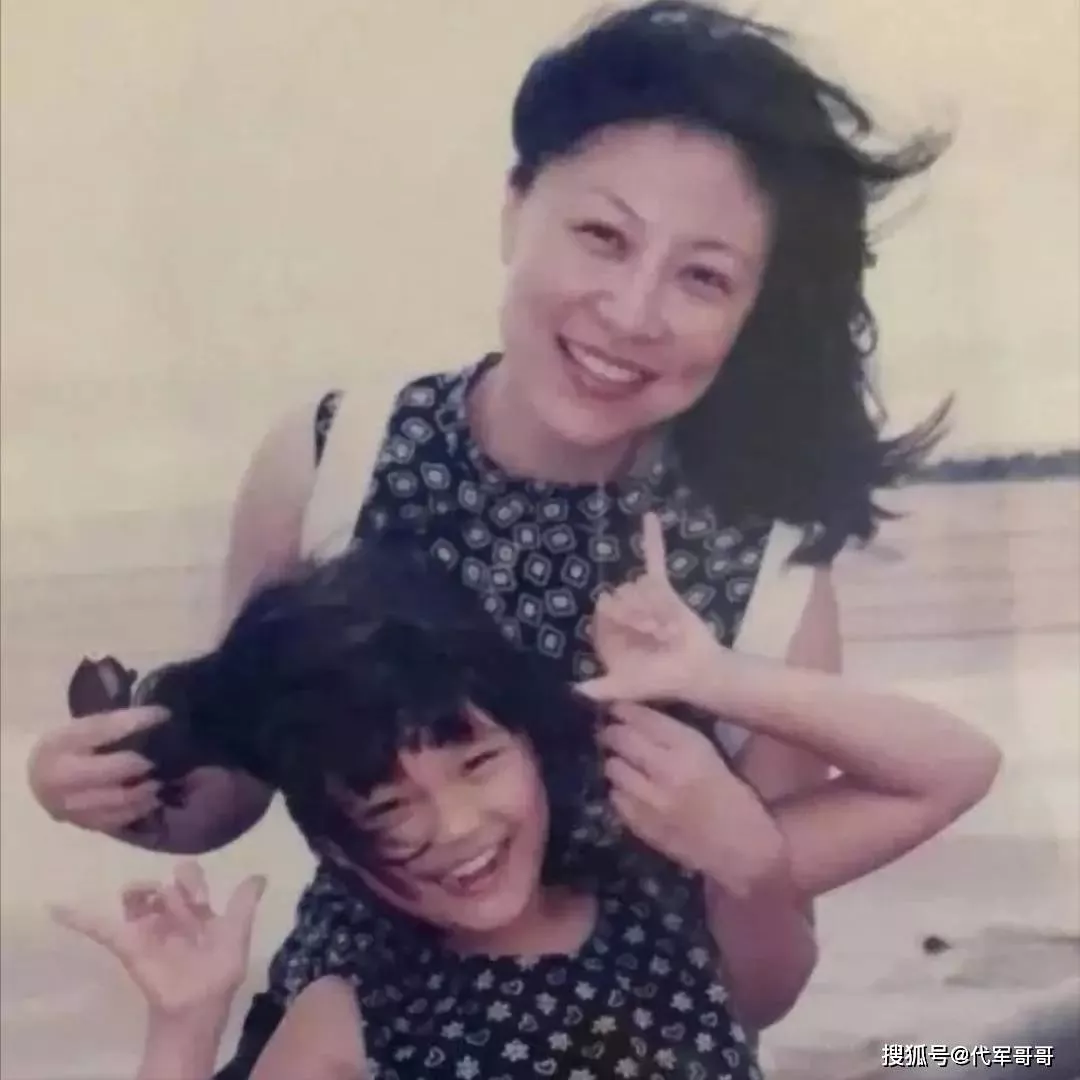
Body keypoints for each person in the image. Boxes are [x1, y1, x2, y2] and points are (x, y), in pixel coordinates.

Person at [28, 0, 954, 1071]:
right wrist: (116, 792)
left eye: (703, 276)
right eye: (603, 236)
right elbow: (239, 779)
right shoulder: (337, 459)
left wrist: (743, 862)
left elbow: (761, 987)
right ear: (515, 208)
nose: (632, 311)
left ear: (752, 310)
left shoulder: (766, 573)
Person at [51, 531, 998, 1080]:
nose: (457, 826)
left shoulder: (662, 879)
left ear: (536, 746)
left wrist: (714, 676)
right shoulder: (355, 1016)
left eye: (476, 761)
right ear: (336, 847)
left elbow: (953, 769)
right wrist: (184, 1026)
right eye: (387, 806)